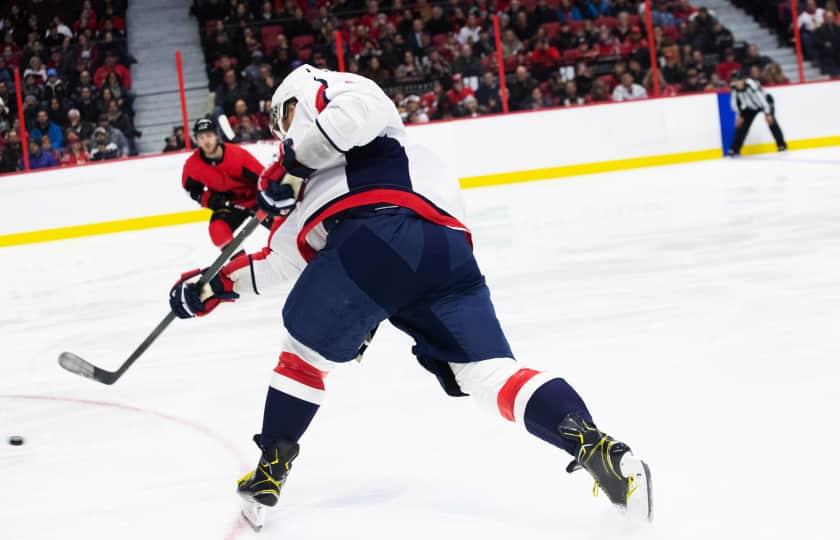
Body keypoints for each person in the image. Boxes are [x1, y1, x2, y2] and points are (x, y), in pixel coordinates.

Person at [168, 65, 653, 532]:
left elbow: (358, 110)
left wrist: (291, 166)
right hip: (446, 257)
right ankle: (597, 447)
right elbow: (278, 260)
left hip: (371, 240)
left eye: (285, 117)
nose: (283, 133)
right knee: (488, 374)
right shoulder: (347, 168)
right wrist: (211, 285)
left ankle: (271, 469)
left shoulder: (346, 105)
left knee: (302, 357)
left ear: (306, 94)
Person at [180, 118, 275, 248]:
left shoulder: (238, 155)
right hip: (228, 205)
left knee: (281, 227)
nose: (206, 141)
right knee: (218, 230)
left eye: (209, 135)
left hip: (256, 200)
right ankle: (241, 265)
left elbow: (263, 178)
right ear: (196, 140)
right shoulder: (193, 166)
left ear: (217, 136)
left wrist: (268, 201)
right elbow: (191, 189)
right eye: (201, 137)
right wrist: (209, 200)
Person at [728, 72, 787, 157]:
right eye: (736, 81)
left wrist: (768, 113)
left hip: (765, 102)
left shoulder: (752, 85)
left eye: (740, 81)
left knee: (771, 122)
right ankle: (734, 149)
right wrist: (739, 115)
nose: (738, 83)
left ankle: (781, 145)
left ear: (744, 80)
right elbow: (733, 104)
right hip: (749, 107)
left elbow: (762, 99)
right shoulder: (734, 88)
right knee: (741, 126)